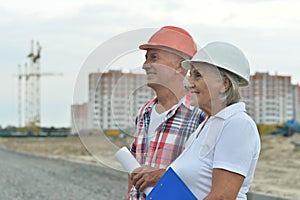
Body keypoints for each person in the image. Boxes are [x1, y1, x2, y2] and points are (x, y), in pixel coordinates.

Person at [132, 41, 261, 199]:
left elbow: (222, 197)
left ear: (224, 84)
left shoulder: (237, 124)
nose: (189, 83)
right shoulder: (206, 127)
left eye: (198, 75)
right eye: (190, 75)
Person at [127, 26, 206, 200]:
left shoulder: (201, 114)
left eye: (153, 57)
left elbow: (206, 174)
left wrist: (161, 176)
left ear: (179, 65)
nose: (145, 65)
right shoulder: (144, 112)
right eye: (146, 58)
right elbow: (134, 165)